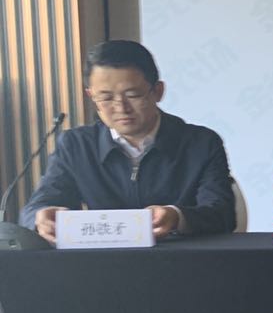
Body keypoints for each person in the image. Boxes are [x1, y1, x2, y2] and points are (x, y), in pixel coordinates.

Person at [22, 39, 236, 241]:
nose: (121, 108)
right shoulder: (76, 145)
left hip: (181, 259)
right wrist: (41, 217)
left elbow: (223, 214)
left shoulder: (201, 143)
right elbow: (37, 206)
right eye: (106, 97)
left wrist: (176, 217)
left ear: (158, 91)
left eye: (133, 95)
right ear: (91, 96)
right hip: (103, 261)